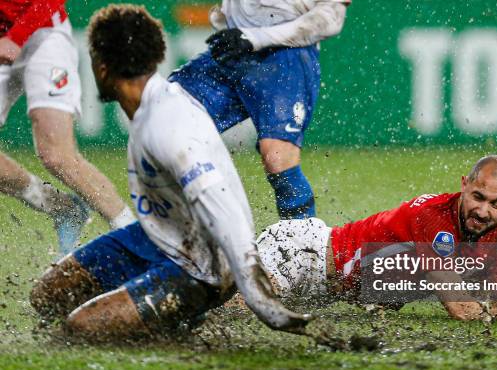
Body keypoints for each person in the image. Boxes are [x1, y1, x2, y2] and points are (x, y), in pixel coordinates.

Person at [29, 4, 311, 342]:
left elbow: (223, 208)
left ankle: (176, 320)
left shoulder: (168, 125)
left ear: (101, 69)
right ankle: (149, 303)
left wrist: (259, 298)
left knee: (81, 328)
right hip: (157, 237)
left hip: (201, 268)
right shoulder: (152, 103)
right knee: (46, 296)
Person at [256, 155, 497, 322]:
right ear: (464, 184)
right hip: (301, 255)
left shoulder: (492, 241)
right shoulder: (434, 219)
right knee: (231, 309)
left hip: (323, 292)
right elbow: (463, 308)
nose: (483, 211)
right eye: (478, 196)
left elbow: (487, 301)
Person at [169, 0, 350, 219]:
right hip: (234, 47)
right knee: (168, 114)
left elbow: (331, 18)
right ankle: (183, 237)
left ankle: (303, 246)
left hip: (287, 54)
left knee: (278, 156)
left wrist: (256, 37)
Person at [0, 0, 136, 254]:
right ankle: (62, 208)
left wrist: (16, 37)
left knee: (57, 156)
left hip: (43, 34)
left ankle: (134, 238)